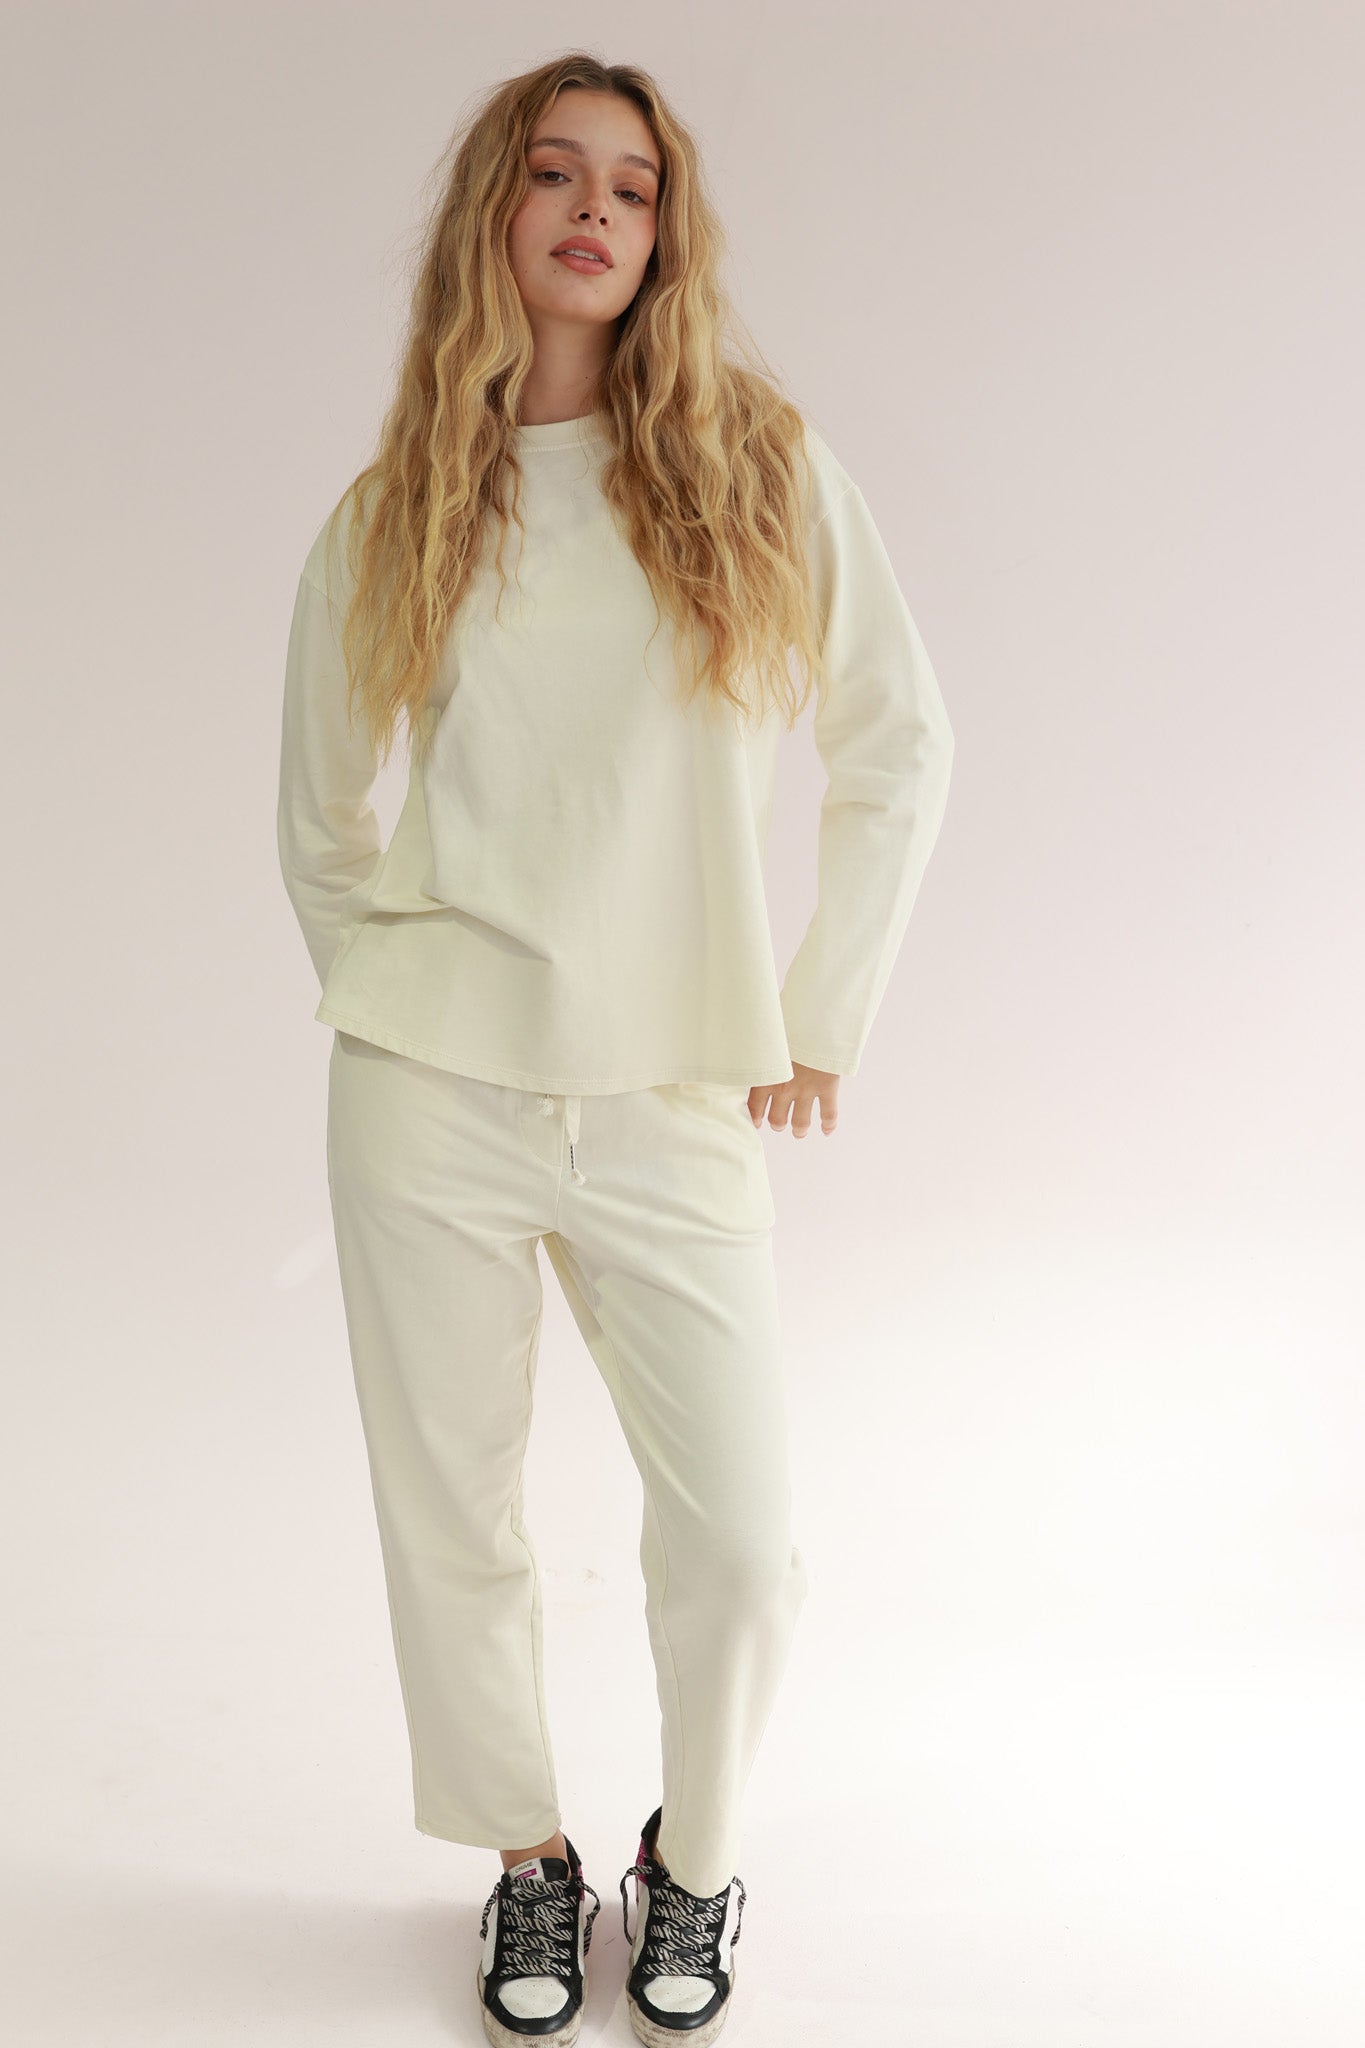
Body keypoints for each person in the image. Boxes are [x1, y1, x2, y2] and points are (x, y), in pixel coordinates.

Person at [276, 52, 954, 2048]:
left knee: (739, 1546)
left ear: (665, 235)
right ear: (494, 212)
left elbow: (898, 745)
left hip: (672, 1093)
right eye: (556, 175)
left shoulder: (752, 466)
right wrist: (396, 993)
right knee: (452, 1516)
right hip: (429, 1096)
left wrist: (815, 1011)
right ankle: (525, 1859)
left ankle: (697, 1856)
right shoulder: (400, 508)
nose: (595, 211)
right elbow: (319, 821)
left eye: (633, 187)